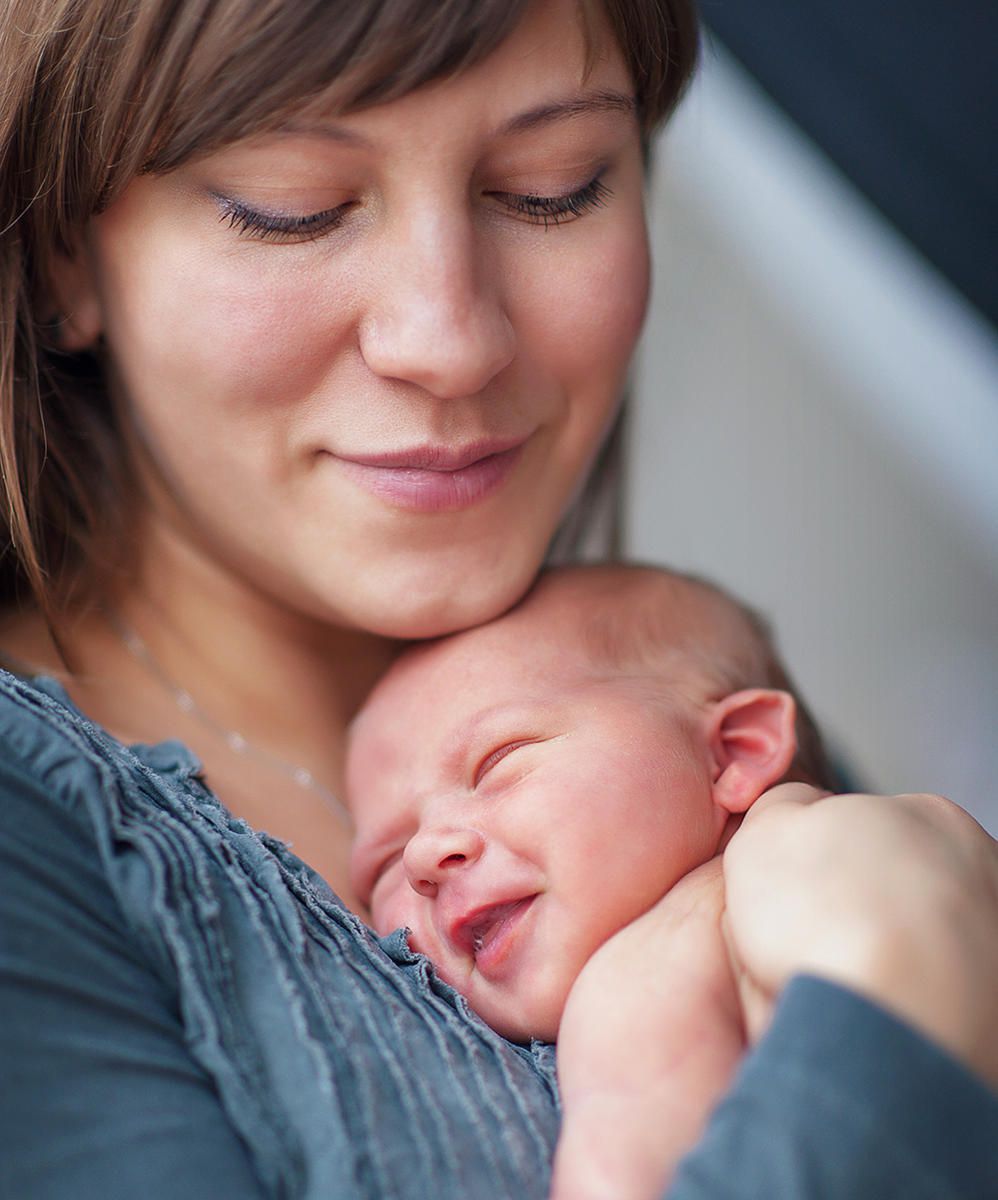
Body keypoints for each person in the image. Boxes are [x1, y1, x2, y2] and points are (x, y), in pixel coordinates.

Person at [1, 1, 997, 1198]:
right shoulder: (33, 846)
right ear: (65, 254)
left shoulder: (650, 710)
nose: (451, 339)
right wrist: (896, 999)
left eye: (552, 187)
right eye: (292, 206)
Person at [348, 562, 840, 1198]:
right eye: (383, 864)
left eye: (497, 762)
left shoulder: (646, 988)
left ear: (733, 752)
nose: (421, 856)